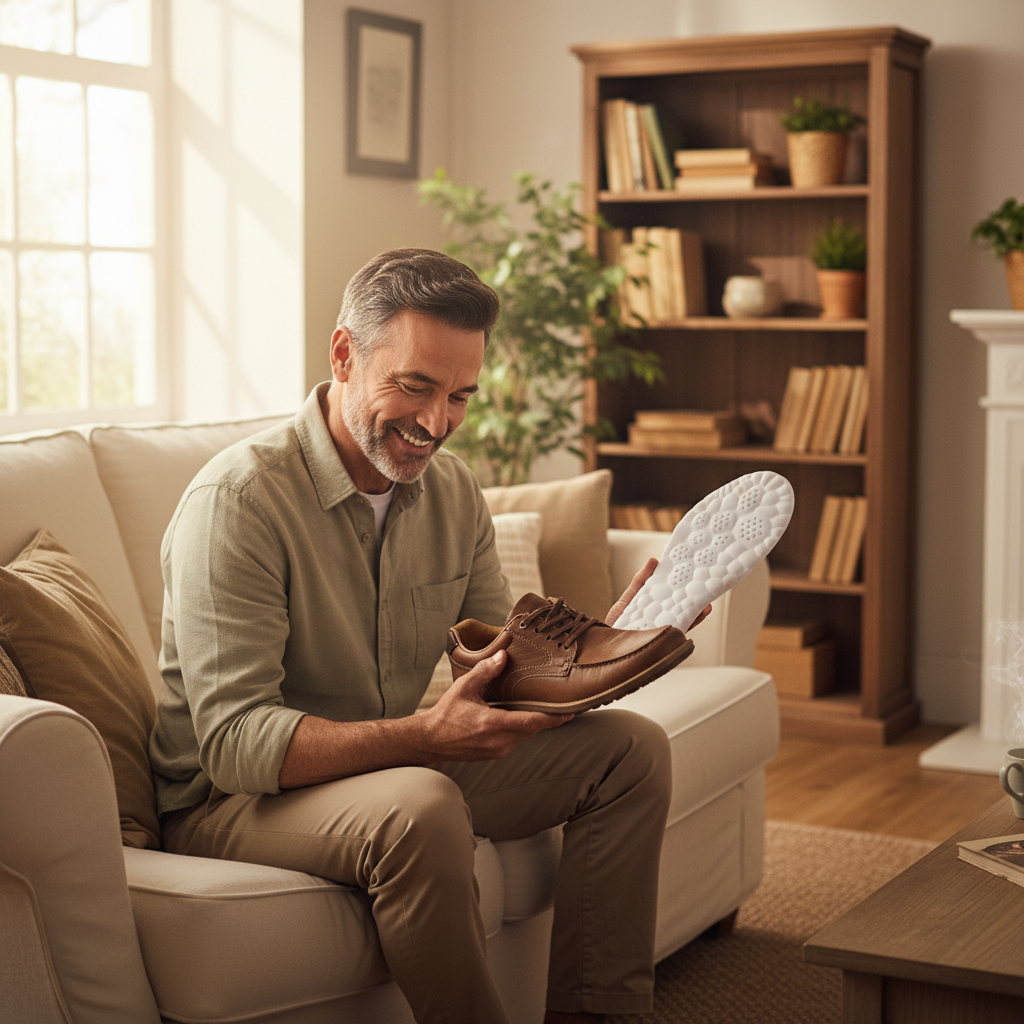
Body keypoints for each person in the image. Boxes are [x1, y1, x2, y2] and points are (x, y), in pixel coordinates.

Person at [150, 248, 702, 1024]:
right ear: (344, 355)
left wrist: (608, 650)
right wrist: (425, 736)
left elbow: (501, 667)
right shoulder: (238, 502)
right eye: (413, 386)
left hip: (380, 762)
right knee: (422, 805)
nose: (435, 423)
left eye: (460, 396)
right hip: (231, 801)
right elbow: (236, 743)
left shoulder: (450, 490)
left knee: (632, 752)